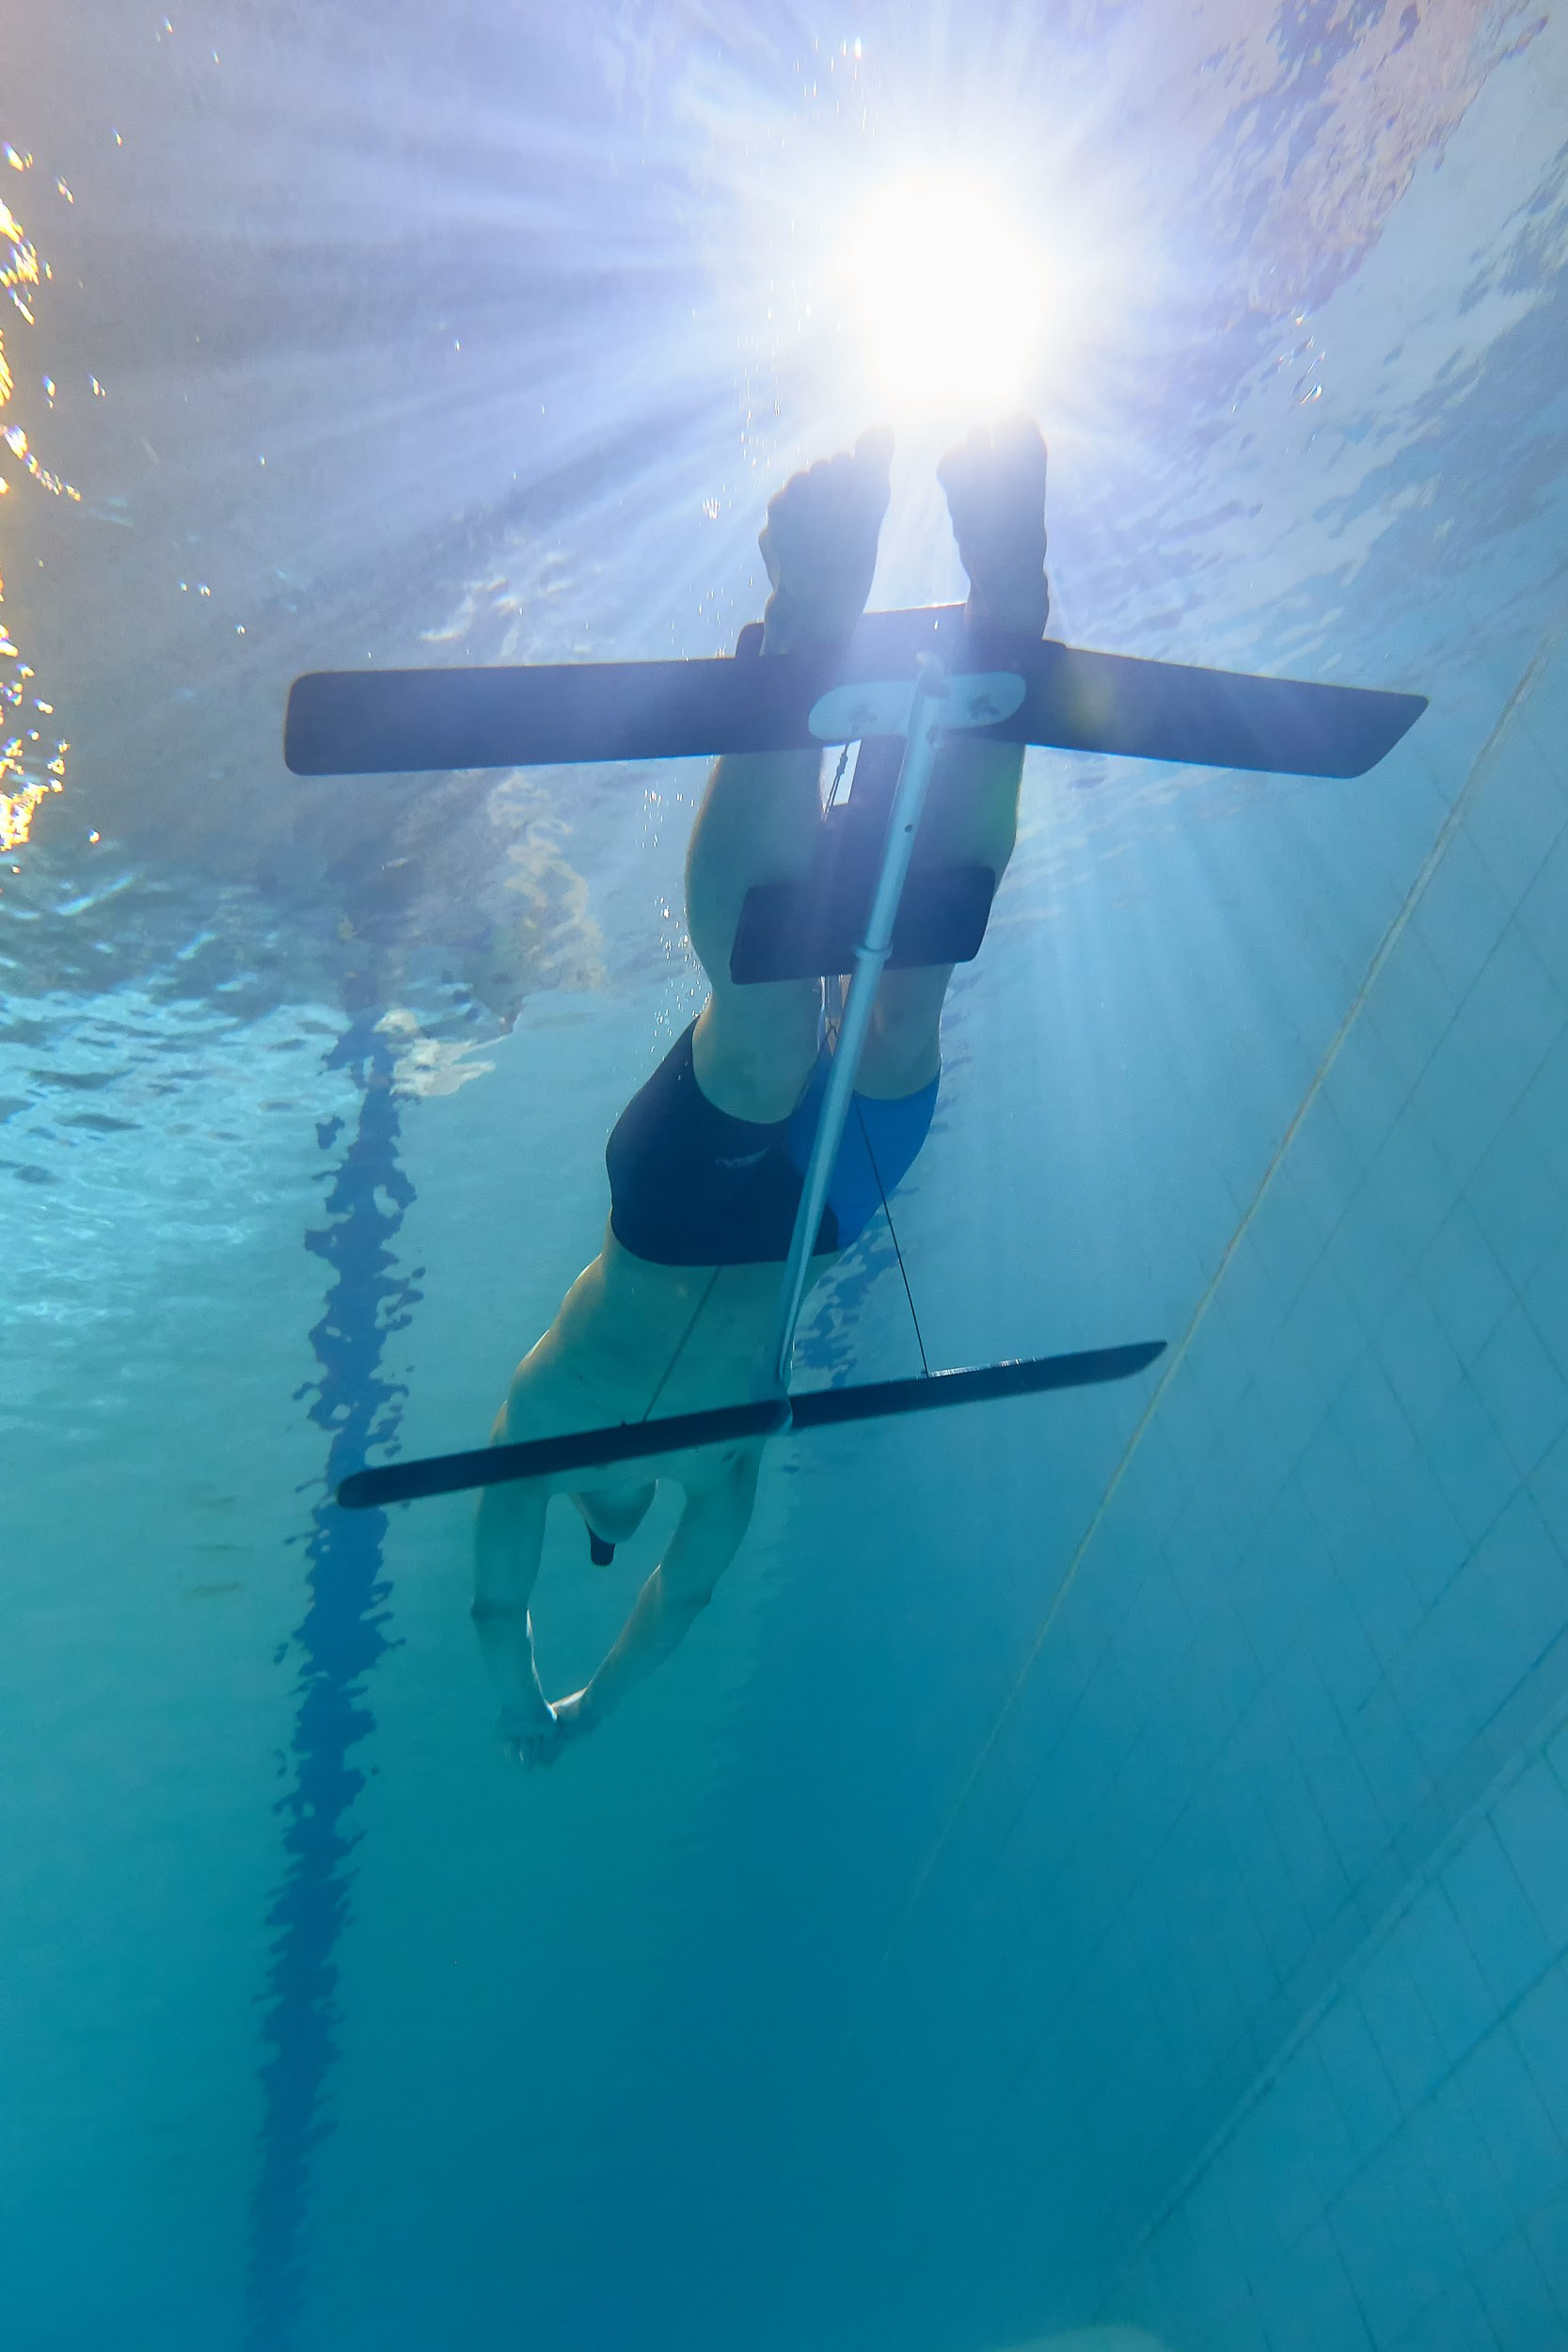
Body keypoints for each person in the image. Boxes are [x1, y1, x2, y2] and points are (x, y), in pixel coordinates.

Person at [473, 415, 1050, 1766]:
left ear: (592, 1525)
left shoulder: (538, 1431)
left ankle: (805, 631)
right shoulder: (719, 1472)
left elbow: (500, 1604)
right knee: (905, 1019)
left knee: (766, 1032)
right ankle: (1009, 606)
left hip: (675, 1215)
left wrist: (536, 1703)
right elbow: (681, 1601)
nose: (619, 1535)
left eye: (607, 1537)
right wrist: (587, 1711)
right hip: (813, 1222)